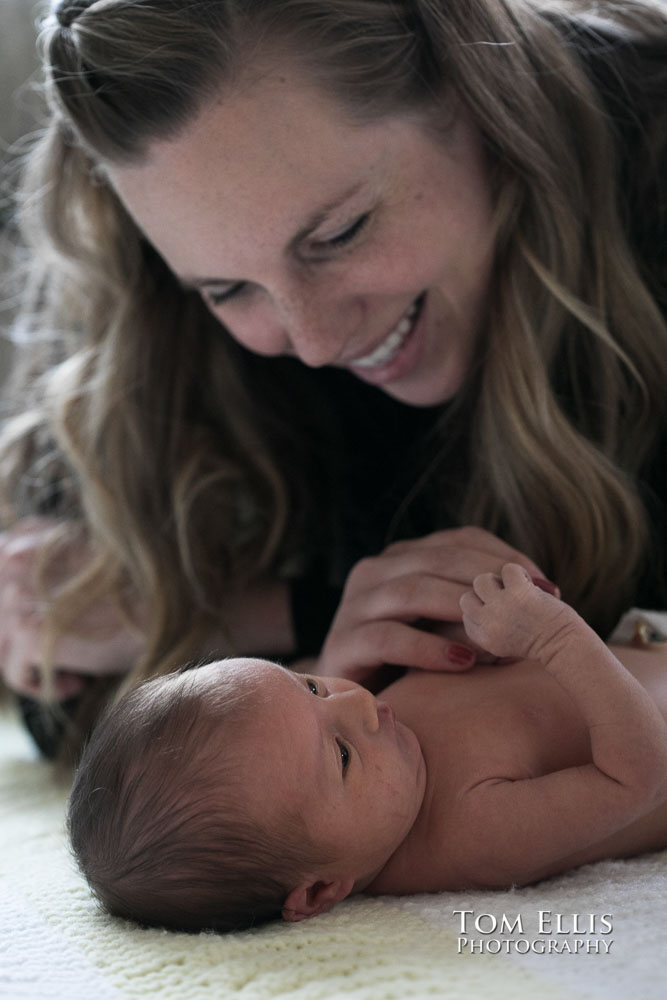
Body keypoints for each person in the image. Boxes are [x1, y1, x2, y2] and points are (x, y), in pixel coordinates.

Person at [0, 1, 666, 760]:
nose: (313, 343)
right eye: (225, 290)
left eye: (338, 234)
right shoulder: (165, 256)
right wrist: (318, 652)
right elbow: (62, 697)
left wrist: (252, 619)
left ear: (474, 97)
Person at [67, 566, 667, 933]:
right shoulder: (467, 831)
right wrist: (553, 635)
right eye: (342, 755)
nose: (357, 703)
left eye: (309, 685)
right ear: (322, 890)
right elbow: (639, 778)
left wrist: (481, 636)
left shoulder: (380, 767)